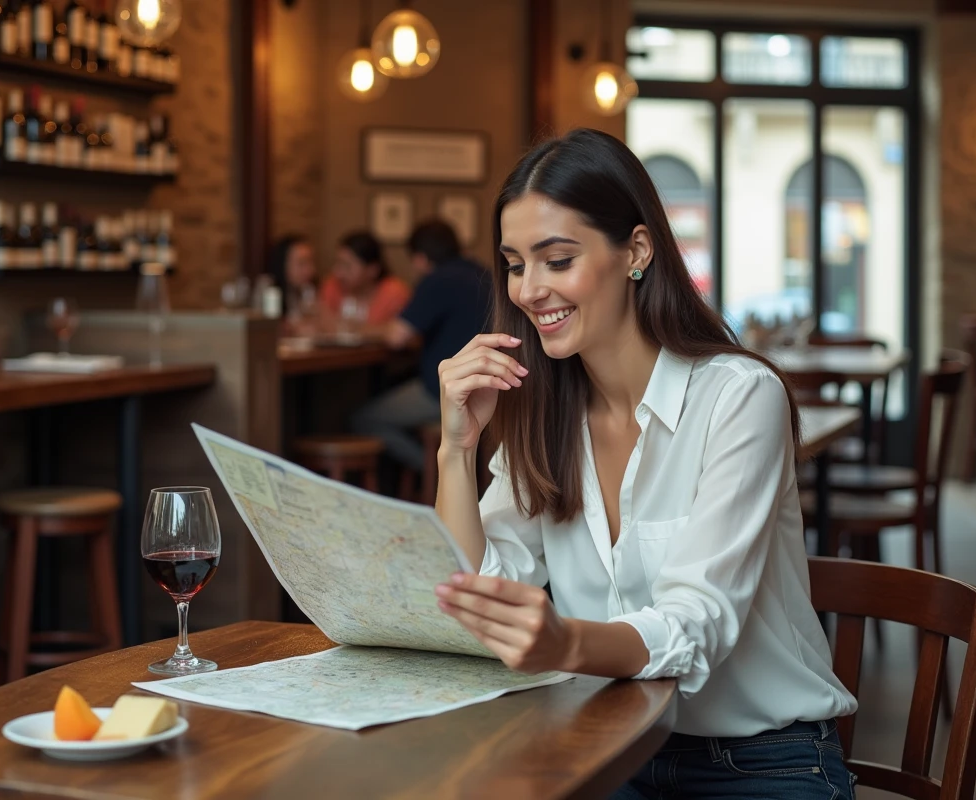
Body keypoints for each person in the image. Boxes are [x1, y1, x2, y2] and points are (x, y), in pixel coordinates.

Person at [431, 129, 858, 799]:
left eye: (557, 260)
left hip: (758, 760)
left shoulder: (738, 397)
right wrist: (455, 450)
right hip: (602, 742)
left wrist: (565, 643)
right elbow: (473, 597)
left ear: (636, 250)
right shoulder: (543, 412)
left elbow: (697, 623)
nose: (529, 290)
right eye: (514, 265)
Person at [351, 220, 491, 472]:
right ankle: (448, 473)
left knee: (364, 419)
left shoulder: (438, 279)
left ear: (420, 258)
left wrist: (354, 328)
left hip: (444, 390)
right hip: (488, 390)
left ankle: (437, 472)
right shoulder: (485, 274)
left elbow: (396, 336)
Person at [318, 231, 411, 328]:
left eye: (347, 266)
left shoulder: (394, 293)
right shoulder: (333, 285)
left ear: (372, 270)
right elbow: (321, 324)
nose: (338, 272)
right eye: (338, 263)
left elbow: (401, 331)